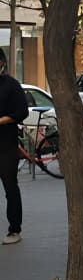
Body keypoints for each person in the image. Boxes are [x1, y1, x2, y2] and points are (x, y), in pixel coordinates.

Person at [0, 48, 29, 245]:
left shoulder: (11, 85)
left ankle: (14, 229)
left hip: (6, 145)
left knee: (10, 187)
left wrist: (3, 120)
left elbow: (22, 111)